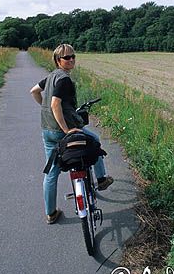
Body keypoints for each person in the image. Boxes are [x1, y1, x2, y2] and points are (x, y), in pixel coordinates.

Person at [30, 43, 113, 224]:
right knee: (94, 141)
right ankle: (101, 179)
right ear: (58, 60)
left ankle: (51, 213)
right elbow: (54, 104)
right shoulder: (64, 79)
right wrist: (66, 130)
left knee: (51, 172)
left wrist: (47, 113)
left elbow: (34, 91)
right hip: (63, 130)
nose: (71, 60)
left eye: (73, 56)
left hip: (47, 130)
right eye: (66, 57)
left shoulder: (51, 77)